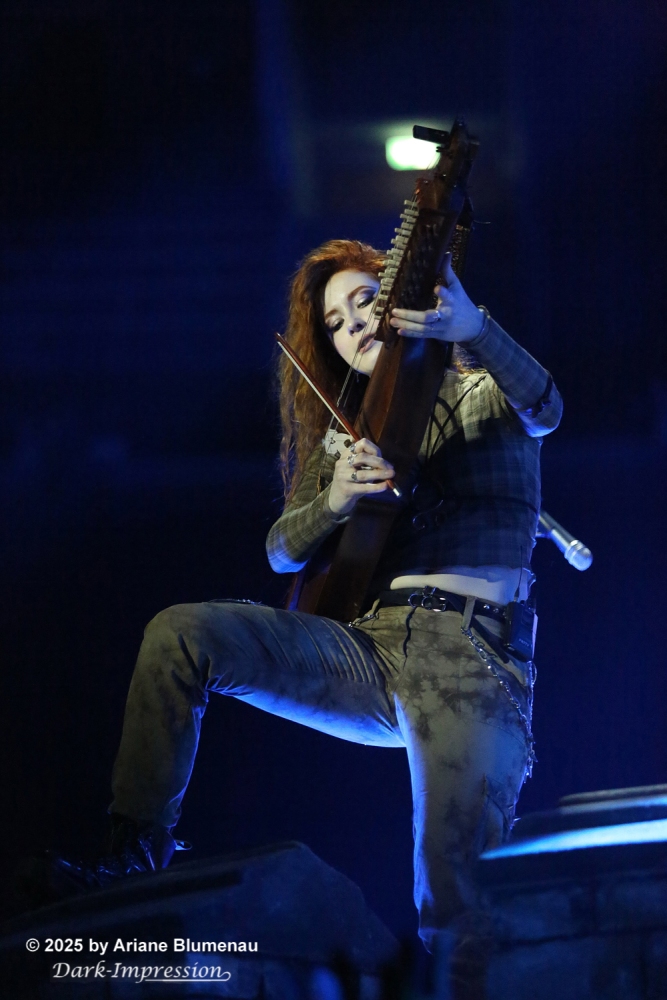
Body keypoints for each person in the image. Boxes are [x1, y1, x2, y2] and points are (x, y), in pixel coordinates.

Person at [53, 239, 562, 956]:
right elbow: (281, 549)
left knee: (452, 898)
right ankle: (134, 855)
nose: (351, 326)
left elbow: (546, 404)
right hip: (372, 646)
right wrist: (334, 500)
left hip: (470, 653)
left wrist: (472, 326)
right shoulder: (346, 438)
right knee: (180, 634)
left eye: (364, 302)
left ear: (400, 301)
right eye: (334, 323)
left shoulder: (482, 388)